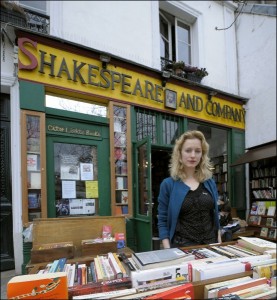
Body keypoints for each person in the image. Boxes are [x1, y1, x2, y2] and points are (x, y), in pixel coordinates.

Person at [157, 130, 221, 248]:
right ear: (179, 154)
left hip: (211, 246)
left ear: (202, 155)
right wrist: (168, 249)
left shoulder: (209, 183)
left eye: (197, 151)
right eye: (188, 150)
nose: (193, 155)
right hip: (182, 248)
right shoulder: (168, 185)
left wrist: (219, 242)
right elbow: (162, 220)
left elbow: (215, 216)